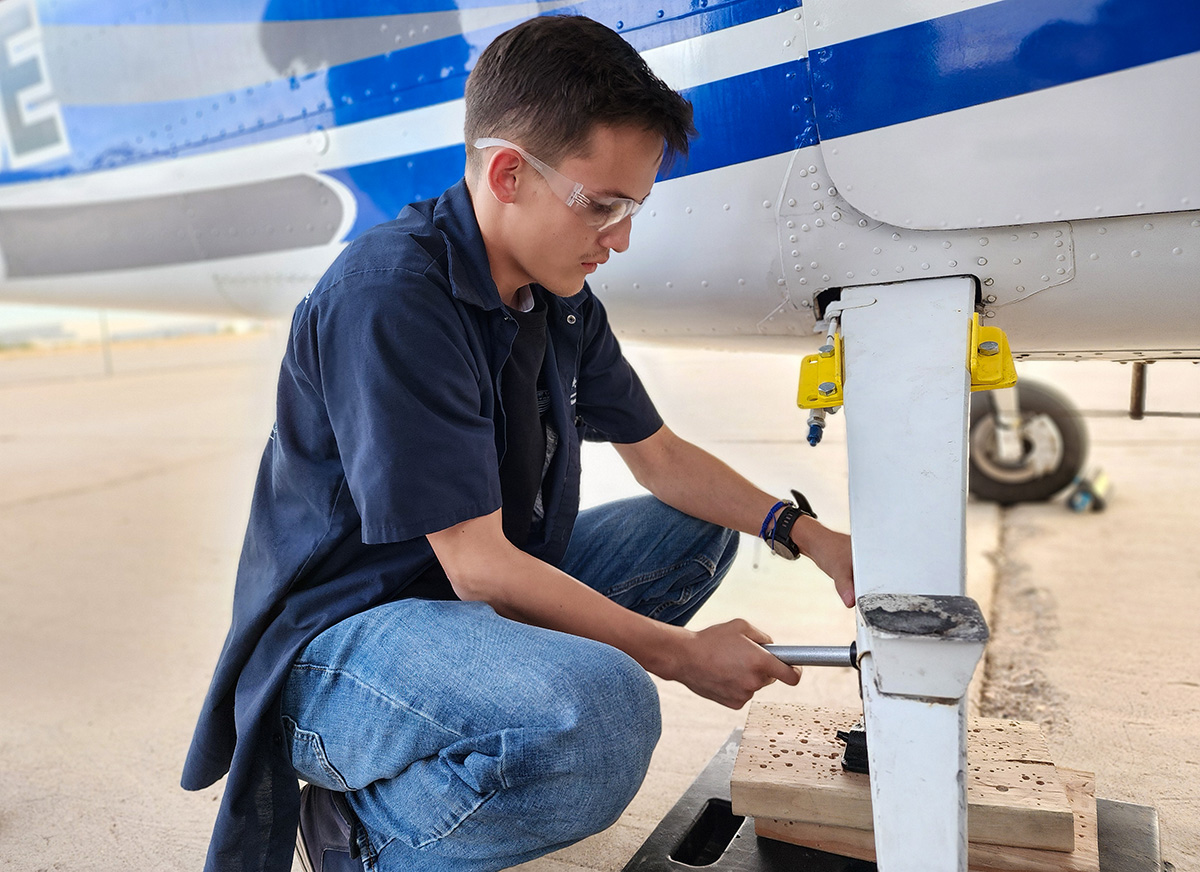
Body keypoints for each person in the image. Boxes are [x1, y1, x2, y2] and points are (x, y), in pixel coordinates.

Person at [182, 14, 854, 872]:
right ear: (508, 173)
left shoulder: (558, 296)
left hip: (452, 608)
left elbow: (659, 454)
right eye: (603, 204)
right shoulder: (392, 297)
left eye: (634, 207)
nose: (622, 236)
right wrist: (680, 657)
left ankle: (485, 736)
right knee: (606, 714)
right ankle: (367, 837)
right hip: (342, 645)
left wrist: (804, 533)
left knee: (692, 530)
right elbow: (480, 567)